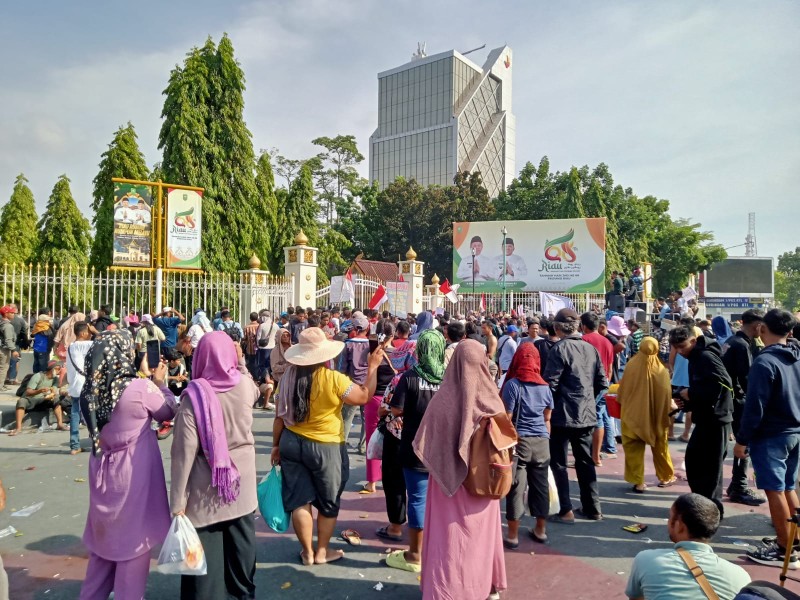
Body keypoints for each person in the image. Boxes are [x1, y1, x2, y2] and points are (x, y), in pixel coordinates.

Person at [271, 327, 382, 565]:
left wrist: (275, 446)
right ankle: (321, 551)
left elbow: (279, 416)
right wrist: (372, 367)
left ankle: (307, 552)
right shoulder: (333, 379)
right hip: (327, 447)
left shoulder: (287, 378)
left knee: (299, 500)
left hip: (291, 442)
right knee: (328, 501)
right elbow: (363, 396)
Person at [79, 330, 176, 600]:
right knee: (135, 541)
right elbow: (168, 410)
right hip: (133, 468)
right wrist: (160, 383)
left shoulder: (90, 391)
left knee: (104, 545)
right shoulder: (138, 388)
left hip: (101, 465)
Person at [412, 340, 510, 599]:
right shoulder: (492, 399)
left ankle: (445, 591)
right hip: (484, 482)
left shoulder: (442, 400)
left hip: (447, 484)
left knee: (448, 541)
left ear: (454, 362)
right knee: (480, 538)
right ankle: (485, 586)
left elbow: (425, 442)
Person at [169, 331, 259, 599]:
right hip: (241, 485)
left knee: (205, 566)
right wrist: (241, 362)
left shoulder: (193, 397)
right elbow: (255, 388)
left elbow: (183, 453)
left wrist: (177, 501)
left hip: (204, 490)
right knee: (241, 552)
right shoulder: (244, 385)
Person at [734, 309, 800, 568]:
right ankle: (794, 540)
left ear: (762, 328)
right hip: (794, 431)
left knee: (775, 490)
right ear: (790, 331)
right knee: (788, 487)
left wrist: (742, 440)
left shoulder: (765, 362)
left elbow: (755, 407)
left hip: (772, 435)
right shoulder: (796, 356)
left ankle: (785, 549)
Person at [385, 329, 445, 574]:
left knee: (418, 499)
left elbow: (396, 409)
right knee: (442, 501)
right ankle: (437, 549)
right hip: (442, 450)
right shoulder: (448, 378)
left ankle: (415, 554)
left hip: (414, 447)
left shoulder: (410, 377)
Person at [544, 308, 607, 522]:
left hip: (563, 415)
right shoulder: (590, 349)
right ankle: (592, 507)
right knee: (585, 462)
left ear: (557, 328)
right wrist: (588, 399)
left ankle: (565, 509)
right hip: (585, 413)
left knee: (559, 463)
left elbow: (550, 384)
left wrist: (546, 411)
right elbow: (602, 382)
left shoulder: (560, 349)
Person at [626, 494, 751, 600]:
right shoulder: (741, 577)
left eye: (670, 517)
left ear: (680, 526)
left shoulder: (646, 560)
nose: (668, 522)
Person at [669, 325, 734, 516]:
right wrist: (687, 402)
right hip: (706, 416)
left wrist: (691, 393)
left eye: (682, 346)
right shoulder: (694, 357)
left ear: (693, 341)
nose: (680, 352)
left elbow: (724, 384)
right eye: (676, 348)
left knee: (710, 468)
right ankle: (702, 505)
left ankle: (711, 510)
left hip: (717, 418)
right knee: (696, 462)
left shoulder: (705, 356)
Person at [501, 342, 554, 548]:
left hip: (520, 441)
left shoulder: (513, 385)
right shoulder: (545, 387)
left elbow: (507, 418)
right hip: (542, 442)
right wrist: (545, 437)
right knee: (540, 487)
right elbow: (547, 417)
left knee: (516, 487)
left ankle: (513, 535)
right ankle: (540, 530)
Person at [721, 309, 767, 506]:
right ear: (757, 326)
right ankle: (739, 486)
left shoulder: (732, 341)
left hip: (729, 400)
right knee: (744, 444)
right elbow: (747, 378)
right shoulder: (741, 345)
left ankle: (736, 484)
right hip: (737, 401)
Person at [618, 337, 676, 493]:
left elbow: (622, 392)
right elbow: (666, 396)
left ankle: (638, 482)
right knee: (660, 448)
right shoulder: (661, 371)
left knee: (633, 450)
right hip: (656, 418)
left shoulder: (631, 365)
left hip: (633, 416)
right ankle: (665, 476)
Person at [362, 321, 396, 494]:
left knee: (372, 438)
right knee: (395, 437)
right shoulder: (398, 353)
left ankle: (372, 482)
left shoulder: (371, 354)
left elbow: (369, 377)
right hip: (393, 400)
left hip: (374, 397)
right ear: (393, 335)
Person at [581, 312, 616, 466]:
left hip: (588, 385)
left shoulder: (583, 340)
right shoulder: (607, 342)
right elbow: (609, 368)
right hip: (603, 384)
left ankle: (590, 456)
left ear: (583, 326)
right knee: (599, 418)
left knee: (586, 420)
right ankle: (596, 456)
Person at [7, 360, 69, 436]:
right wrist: (39, 391)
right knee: (21, 402)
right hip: (32, 399)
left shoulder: (55, 379)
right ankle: (18, 428)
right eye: (58, 369)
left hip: (44, 399)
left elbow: (54, 390)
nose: (59, 371)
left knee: (57, 399)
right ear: (52, 369)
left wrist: (52, 394)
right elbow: (28, 391)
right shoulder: (38, 376)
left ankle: (60, 424)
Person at [339, 313, 370, 451]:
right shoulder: (371, 345)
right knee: (366, 418)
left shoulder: (348, 344)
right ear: (367, 329)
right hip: (368, 386)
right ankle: (363, 447)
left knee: (347, 417)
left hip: (351, 385)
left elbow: (342, 367)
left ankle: (342, 444)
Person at [66, 322, 93, 455]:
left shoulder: (71, 346)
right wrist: (95, 330)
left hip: (74, 386)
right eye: (88, 332)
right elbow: (105, 342)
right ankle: (96, 441)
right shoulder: (84, 345)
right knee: (92, 413)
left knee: (75, 414)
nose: (90, 334)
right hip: (83, 385)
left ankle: (74, 445)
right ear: (83, 333)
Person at [0, 306, 18, 392]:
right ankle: (0, 386)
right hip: (4, 349)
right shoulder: (7, 326)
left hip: (2, 348)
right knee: (3, 367)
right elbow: (8, 339)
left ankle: (2, 384)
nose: (13, 314)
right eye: (11, 313)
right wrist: (13, 350)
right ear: (6, 314)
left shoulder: (2, 323)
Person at [30, 309, 55, 373]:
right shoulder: (46, 327)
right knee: (43, 368)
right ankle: (41, 378)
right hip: (44, 349)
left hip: (36, 349)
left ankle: (35, 377)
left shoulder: (36, 326)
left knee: (36, 366)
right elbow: (51, 338)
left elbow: (32, 335)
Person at [242, 312, 260, 379]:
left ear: (250, 318)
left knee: (251, 363)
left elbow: (244, 338)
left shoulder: (246, 327)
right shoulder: (260, 326)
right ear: (257, 318)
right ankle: (258, 376)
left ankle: (253, 377)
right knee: (258, 362)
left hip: (250, 348)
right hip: (259, 348)